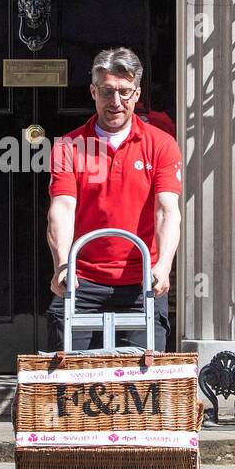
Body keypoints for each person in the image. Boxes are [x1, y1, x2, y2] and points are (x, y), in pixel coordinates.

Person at [46, 48, 182, 351]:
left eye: (124, 92)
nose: (116, 102)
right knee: (71, 381)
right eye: (107, 91)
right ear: (94, 91)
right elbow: (62, 209)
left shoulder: (161, 145)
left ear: (137, 94)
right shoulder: (70, 147)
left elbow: (167, 211)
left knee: (142, 384)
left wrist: (163, 266)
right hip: (83, 280)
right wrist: (62, 264)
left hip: (141, 282)